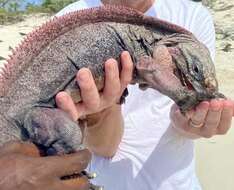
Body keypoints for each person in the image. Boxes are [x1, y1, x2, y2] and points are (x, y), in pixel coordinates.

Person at [55, 0, 234, 190]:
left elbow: (187, 115)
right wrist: (98, 111)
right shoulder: (68, 23)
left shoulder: (192, 16)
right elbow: (105, 147)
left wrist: (193, 121)